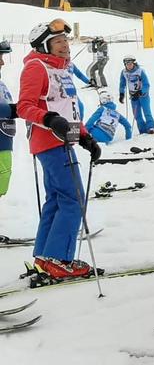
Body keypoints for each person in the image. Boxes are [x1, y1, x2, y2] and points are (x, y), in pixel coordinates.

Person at [17, 19, 101, 279]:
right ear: (45, 45)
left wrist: (85, 137)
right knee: (73, 198)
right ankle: (58, 259)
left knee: (56, 199)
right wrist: (49, 119)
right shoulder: (36, 67)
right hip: (50, 141)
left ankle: (44, 256)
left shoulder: (62, 69)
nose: (65, 45)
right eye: (58, 41)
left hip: (63, 141)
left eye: (66, 40)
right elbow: (24, 107)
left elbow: (69, 109)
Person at [119, 55, 154, 134]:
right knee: (137, 115)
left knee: (147, 112)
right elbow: (122, 84)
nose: (128, 65)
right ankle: (142, 130)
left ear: (134, 63)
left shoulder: (140, 71)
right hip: (133, 97)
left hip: (143, 96)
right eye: (126, 64)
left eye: (130, 63)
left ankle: (151, 128)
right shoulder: (124, 72)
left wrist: (141, 92)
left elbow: (146, 84)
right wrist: (121, 94)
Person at [0, 41, 18, 197]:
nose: (2, 62)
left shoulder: (1, 84)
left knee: (3, 182)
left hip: (5, 141)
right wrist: (13, 109)